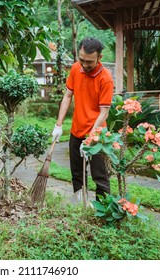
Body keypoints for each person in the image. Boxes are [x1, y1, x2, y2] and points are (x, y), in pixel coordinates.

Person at [52, 37, 114, 200]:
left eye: (89, 62)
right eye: (82, 60)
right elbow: (67, 96)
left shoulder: (105, 78)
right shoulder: (75, 69)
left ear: (100, 58)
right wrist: (58, 125)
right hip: (76, 131)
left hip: (97, 136)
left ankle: (104, 211)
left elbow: (104, 112)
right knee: (77, 174)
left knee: (99, 177)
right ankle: (80, 205)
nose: (85, 65)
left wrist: (90, 140)